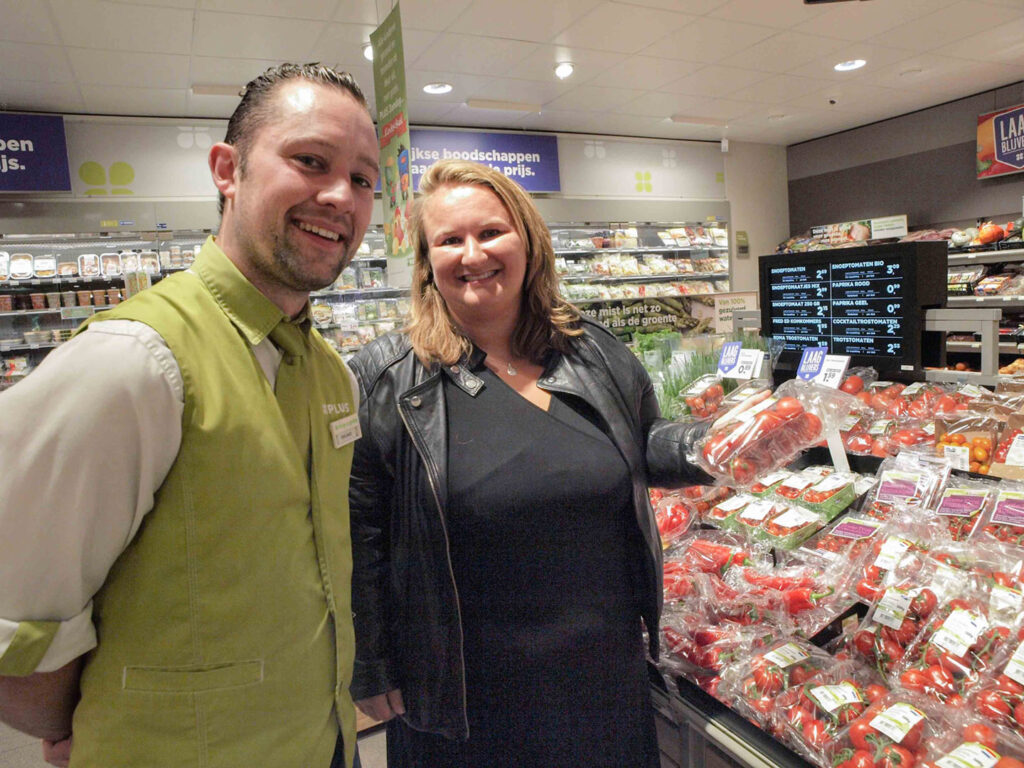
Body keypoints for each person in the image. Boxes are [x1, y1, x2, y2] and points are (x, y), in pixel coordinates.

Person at [0, 63, 379, 768]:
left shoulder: (329, 372)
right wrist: (99, 719)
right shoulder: (136, 363)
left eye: (363, 180)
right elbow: (16, 619)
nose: (339, 196)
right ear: (227, 170)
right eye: (310, 161)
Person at [347, 159, 712, 767]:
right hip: (466, 696)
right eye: (449, 240)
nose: (473, 253)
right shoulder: (387, 378)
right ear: (426, 262)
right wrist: (372, 661)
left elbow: (641, 441)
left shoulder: (594, 353)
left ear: (527, 240)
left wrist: (712, 444)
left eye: (490, 232)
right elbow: (363, 534)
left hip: (603, 679)